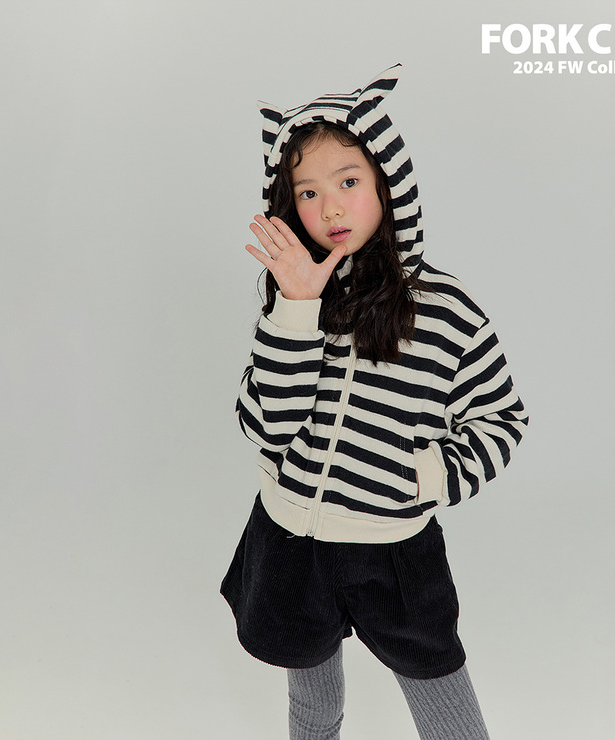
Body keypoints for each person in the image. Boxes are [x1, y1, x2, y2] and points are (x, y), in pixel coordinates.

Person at [221, 64, 528, 740]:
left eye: (348, 182)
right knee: (312, 705)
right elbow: (266, 425)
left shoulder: (446, 311)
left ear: (389, 183)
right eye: (308, 192)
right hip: (291, 541)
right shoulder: (291, 300)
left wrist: (426, 475)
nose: (330, 208)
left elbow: (503, 418)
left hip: (391, 552)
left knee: (444, 705)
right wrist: (296, 308)